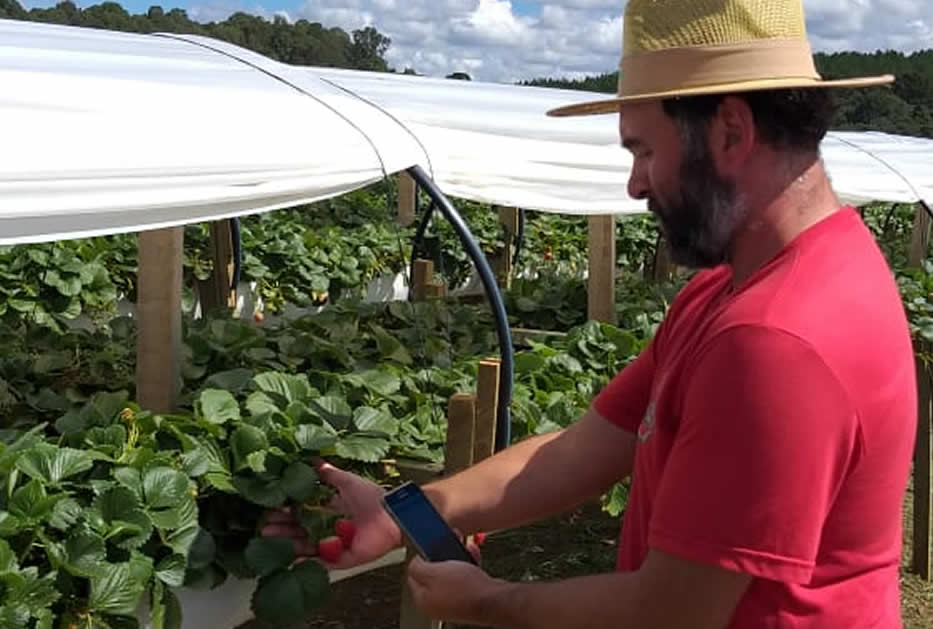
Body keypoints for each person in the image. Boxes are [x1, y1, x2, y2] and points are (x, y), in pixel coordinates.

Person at [263, 1, 918, 627]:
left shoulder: (775, 339)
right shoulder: (745, 284)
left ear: (729, 133)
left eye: (643, 150)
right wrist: (409, 509)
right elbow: (585, 447)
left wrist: (489, 599)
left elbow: (672, 612)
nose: (634, 183)